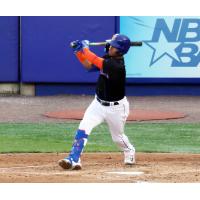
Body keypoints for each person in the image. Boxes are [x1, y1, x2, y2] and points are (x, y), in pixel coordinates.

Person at [58, 34, 135, 170]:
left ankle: (129, 151)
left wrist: (85, 48)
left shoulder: (116, 66)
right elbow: (88, 66)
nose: (110, 47)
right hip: (98, 104)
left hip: (117, 109)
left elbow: (94, 59)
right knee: (83, 128)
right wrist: (78, 52)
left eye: (113, 46)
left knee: (117, 137)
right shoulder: (108, 59)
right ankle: (73, 159)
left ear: (119, 50)